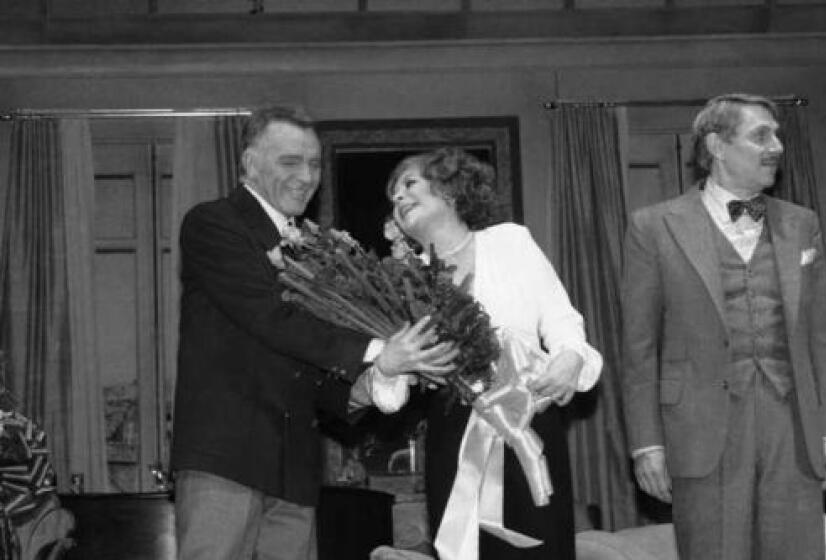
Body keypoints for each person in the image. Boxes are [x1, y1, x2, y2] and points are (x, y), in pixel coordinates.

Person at [170, 106, 457, 560]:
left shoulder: (314, 252)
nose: (307, 176)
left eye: (314, 163)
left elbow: (308, 367)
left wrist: (380, 380)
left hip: (296, 472)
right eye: (290, 162)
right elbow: (271, 319)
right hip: (226, 461)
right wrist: (377, 349)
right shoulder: (213, 224)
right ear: (249, 163)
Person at [621, 93, 826, 559]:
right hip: (699, 429)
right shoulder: (654, 227)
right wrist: (646, 444)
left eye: (777, 134)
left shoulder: (802, 224)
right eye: (761, 135)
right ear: (717, 146)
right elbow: (638, 349)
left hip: (792, 427)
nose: (776, 145)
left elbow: (822, 339)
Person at [376, 147, 603, 560]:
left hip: (529, 419)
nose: (398, 198)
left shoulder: (511, 241)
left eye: (409, 184)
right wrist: (389, 366)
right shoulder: (400, 282)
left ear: (450, 188)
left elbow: (561, 318)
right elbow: (393, 386)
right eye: (392, 196)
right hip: (454, 430)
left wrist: (571, 357)